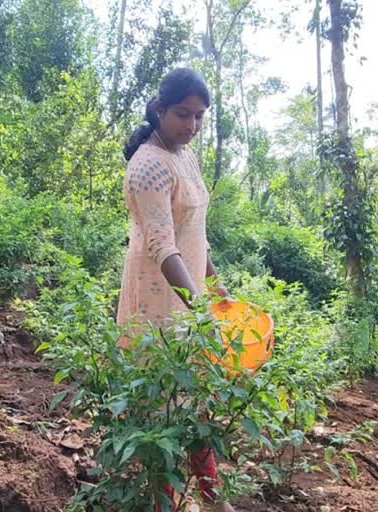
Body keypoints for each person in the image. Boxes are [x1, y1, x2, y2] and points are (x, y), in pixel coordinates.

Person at [117, 67, 235, 512]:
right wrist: (198, 309)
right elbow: (163, 246)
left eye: (200, 116)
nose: (192, 125)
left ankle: (212, 498)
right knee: (164, 408)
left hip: (189, 291)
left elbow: (195, 233)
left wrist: (216, 286)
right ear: (158, 109)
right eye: (183, 114)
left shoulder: (185, 154)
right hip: (158, 297)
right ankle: (163, 502)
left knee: (195, 402)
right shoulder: (148, 164)